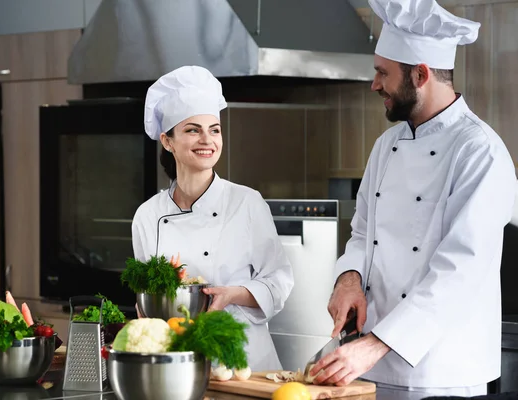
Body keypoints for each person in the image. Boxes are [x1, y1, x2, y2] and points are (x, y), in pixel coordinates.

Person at [309, 0, 517, 396]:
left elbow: (459, 272)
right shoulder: (387, 145)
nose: (374, 84)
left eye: (382, 73)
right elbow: (363, 232)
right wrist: (349, 278)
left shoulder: (480, 152)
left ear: (420, 75)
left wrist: (375, 345)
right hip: (369, 363)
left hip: (440, 372)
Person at [131, 65, 294, 371]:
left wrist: (233, 295)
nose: (207, 139)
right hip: (178, 361)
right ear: (167, 141)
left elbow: (278, 282)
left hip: (245, 361)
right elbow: (148, 298)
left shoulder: (246, 203)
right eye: (193, 129)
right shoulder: (147, 216)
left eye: (214, 130)